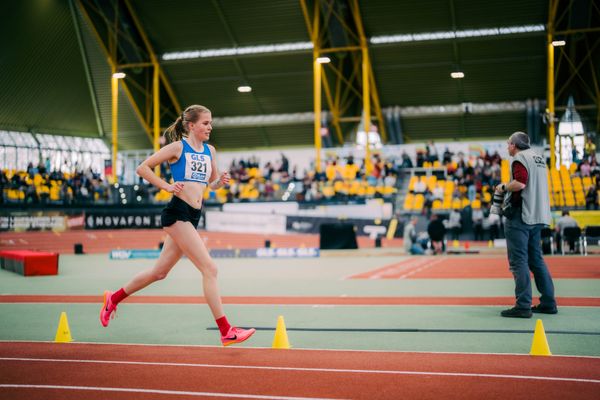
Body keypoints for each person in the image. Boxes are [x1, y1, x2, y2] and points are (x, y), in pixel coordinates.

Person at [99, 104, 256, 346]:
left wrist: (220, 182)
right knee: (210, 269)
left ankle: (114, 298)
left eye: (211, 122)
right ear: (191, 125)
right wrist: (167, 186)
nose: (210, 127)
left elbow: (211, 184)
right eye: (205, 123)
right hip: (177, 212)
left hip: (194, 214)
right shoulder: (177, 147)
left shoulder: (210, 151)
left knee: (159, 272)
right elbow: (143, 168)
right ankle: (226, 330)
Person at [496, 131, 557, 318]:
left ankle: (523, 305)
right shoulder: (538, 158)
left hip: (522, 216)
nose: (507, 147)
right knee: (536, 260)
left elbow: (520, 183)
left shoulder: (519, 158)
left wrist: (503, 187)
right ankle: (548, 302)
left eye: (508, 144)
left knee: (518, 261)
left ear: (514, 145)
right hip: (538, 215)